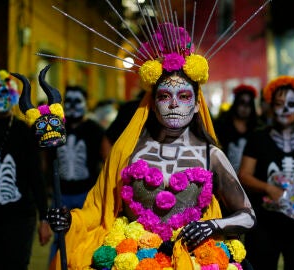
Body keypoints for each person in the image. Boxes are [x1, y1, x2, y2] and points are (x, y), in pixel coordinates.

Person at [47, 22, 256, 270]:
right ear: (153, 104)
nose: (174, 105)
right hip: (132, 258)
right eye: (164, 96)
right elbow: (97, 210)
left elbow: (248, 215)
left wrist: (212, 226)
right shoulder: (128, 151)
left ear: (198, 104)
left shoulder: (211, 155)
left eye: (185, 96)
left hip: (193, 258)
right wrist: (70, 220)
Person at [238, 75, 294, 270]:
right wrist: (269, 188)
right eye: (279, 103)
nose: (285, 109)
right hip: (265, 223)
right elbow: (244, 175)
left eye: (291, 104)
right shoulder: (258, 138)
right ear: (270, 107)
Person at [0, 69, 51, 270]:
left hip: (19, 218)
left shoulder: (23, 131)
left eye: (3, 94)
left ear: (12, 96)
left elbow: (36, 176)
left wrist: (44, 218)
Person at [47, 85, 108, 262]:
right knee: (59, 238)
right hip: (61, 194)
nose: (73, 106)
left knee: (84, 235)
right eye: (69, 101)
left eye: (77, 101)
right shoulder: (56, 127)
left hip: (86, 195)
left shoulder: (94, 129)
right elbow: (46, 159)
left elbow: (106, 160)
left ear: (86, 104)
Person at [214, 84, 261, 173]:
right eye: (242, 102)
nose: (245, 107)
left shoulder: (257, 128)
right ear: (236, 103)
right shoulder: (221, 126)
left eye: (249, 104)